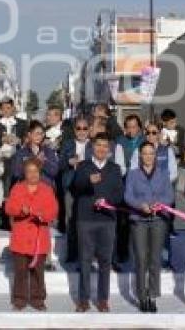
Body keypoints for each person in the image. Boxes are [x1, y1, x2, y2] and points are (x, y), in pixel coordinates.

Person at [71, 134, 124, 312]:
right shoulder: (84, 166)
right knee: (85, 261)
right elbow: (75, 188)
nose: (101, 149)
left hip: (107, 220)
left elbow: (119, 195)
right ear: (92, 147)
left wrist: (106, 201)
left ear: (109, 149)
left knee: (105, 261)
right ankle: (84, 299)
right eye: (98, 145)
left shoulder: (115, 169)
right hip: (86, 219)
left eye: (105, 146)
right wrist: (88, 181)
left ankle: (103, 299)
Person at [124, 140, 173, 313]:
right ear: (140, 155)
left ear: (155, 156)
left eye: (151, 153)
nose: (148, 156)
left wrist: (158, 204)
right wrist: (141, 205)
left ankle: (152, 296)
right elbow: (128, 196)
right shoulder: (132, 174)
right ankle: (142, 297)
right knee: (141, 259)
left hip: (158, 219)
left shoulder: (163, 173)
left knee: (155, 259)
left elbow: (169, 196)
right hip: (139, 219)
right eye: (145, 153)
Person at [5, 158, 58, 311]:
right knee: (20, 271)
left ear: (39, 173)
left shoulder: (47, 190)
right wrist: (21, 210)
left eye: (35, 171)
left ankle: (38, 299)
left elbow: (53, 210)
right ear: (25, 173)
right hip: (21, 238)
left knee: (38, 272)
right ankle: (19, 300)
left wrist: (42, 215)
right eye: (29, 171)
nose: (33, 174)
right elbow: (9, 207)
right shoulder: (17, 188)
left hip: (39, 238)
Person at [59, 116, 92, 264]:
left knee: (88, 222)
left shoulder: (94, 145)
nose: (82, 131)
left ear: (89, 130)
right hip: (71, 187)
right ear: (74, 130)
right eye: (79, 128)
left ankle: (88, 256)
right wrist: (68, 162)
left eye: (85, 128)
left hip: (89, 189)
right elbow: (59, 165)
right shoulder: (67, 145)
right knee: (71, 221)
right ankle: (72, 253)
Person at [113, 114, 144, 268]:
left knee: (141, 220)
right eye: (128, 127)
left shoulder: (144, 141)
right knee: (123, 221)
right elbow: (119, 165)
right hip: (125, 183)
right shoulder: (120, 141)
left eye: (134, 126)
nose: (131, 130)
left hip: (142, 184)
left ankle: (141, 253)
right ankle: (122, 252)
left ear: (139, 127)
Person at [11, 121, 59, 186]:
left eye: (41, 133)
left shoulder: (48, 151)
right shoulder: (21, 153)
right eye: (36, 133)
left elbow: (54, 172)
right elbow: (17, 173)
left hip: (45, 186)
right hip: (27, 186)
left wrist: (44, 161)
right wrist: (34, 161)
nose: (39, 136)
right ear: (29, 134)